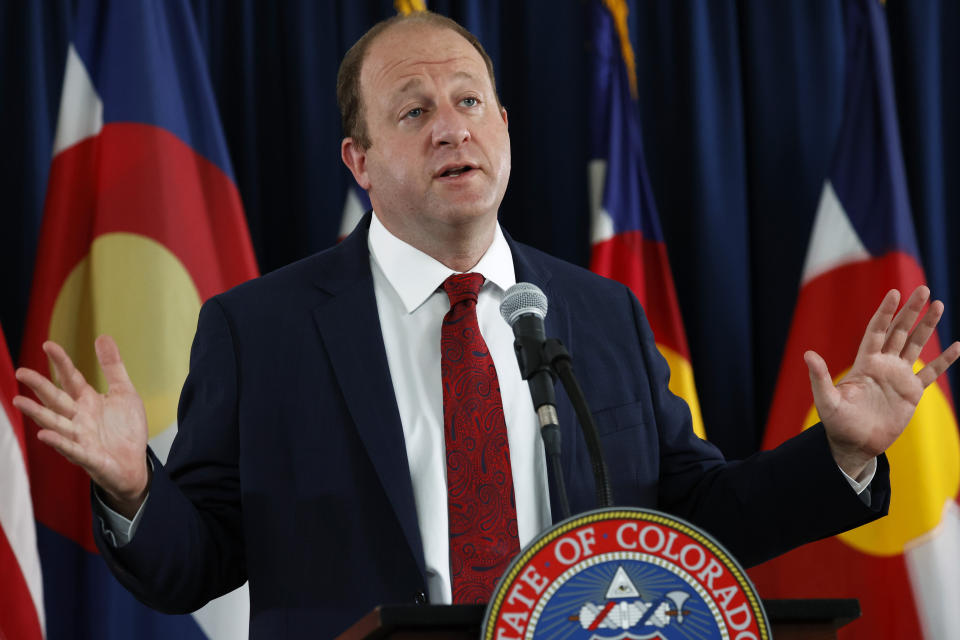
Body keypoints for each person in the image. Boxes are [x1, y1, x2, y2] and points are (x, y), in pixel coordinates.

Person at [14, 11, 960, 639]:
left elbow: (687, 518)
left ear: (504, 125)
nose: (451, 128)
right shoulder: (260, 331)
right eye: (414, 110)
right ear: (360, 159)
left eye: (469, 102)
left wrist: (838, 454)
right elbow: (199, 563)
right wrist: (138, 486)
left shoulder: (599, 313)